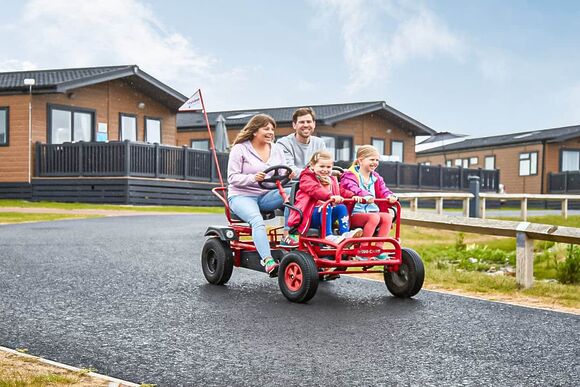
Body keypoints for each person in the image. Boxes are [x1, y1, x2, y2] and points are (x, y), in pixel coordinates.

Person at [227, 114, 295, 275]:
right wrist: (252, 178)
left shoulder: (277, 149)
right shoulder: (240, 149)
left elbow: (282, 172)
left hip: (266, 195)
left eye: (272, 129)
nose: (271, 132)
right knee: (257, 220)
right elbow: (232, 178)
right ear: (255, 130)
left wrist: (290, 175)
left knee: (293, 193)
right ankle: (268, 261)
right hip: (241, 196)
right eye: (266, 128)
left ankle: (287, 235)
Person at [287, 150, 362, 244]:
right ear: (312, 165)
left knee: (341, 207)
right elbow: (315, 189)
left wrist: (354, 195)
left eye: (328, 167)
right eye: (321, 166)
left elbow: (340, 191)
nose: (325, 170)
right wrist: (330, 196)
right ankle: (328, 236)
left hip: (326, 214)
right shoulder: (307, 178)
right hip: (309, 215)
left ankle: (345, 234)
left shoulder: (332, 179)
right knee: (326, 207)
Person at [340, 145, 398, 260]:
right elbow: (351, 188)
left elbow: (383, 190)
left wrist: (390, 196)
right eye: (372, 159)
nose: (375, 162)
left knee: (387, 217)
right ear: (361, 160)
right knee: (374, 218)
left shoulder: (376, 177)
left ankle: (378, 249)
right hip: (354, 214)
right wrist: (363, 195)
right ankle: (363, 249)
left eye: (377, 160)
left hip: (373, 211)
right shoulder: (350, 175)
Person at [276, 107, 327, 177]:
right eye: (302, 122)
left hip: (315, 182)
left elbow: (324, 166)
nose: (306, 125)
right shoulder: (283, 144)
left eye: (309, 122)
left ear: (314, 124)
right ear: (294, 125)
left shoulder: (319, 143)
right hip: (291, 185)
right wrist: (316, 172)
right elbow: (289, 170)